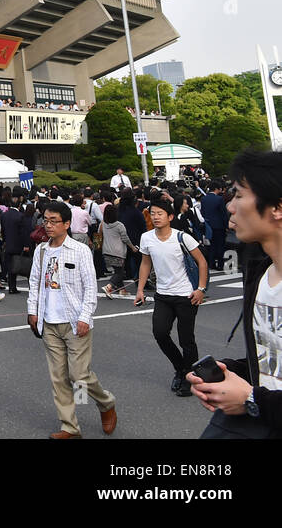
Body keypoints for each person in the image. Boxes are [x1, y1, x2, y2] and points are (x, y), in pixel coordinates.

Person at [189, 149, 282, 437]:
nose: (230, 206)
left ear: (277, 208)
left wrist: (252, 399)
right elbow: (272, 365)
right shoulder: (261, 274)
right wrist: (231, 372)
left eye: (239, 195)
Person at [27, 202, 118, 438]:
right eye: (45, 220)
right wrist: (32, 311)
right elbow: (35, 282)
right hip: (48, 321)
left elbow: (90, 287)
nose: (48, 225)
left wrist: (85, 316)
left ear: (67, 224)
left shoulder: (80, 250)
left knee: (78, 375)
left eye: (53, 221)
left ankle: (106, 402)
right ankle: (69, 426)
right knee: (58, 377)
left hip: (74, 320)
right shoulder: (41, 250)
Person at [135, 198, 208, 397]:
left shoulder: (183, 237)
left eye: (160, 213)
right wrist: (140, 289)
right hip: (163, 295)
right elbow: (145, 264)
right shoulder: (146, 238)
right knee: (160, 333)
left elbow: (201, 262)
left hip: (186, 295)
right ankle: (181, 368)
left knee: (186, 340)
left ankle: (189, 377)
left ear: (170, 217)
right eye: (153, 213)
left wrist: (201, 289)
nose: (156, 217)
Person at [100, 205, 140, 298]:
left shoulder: (103, 224)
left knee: (118, 271)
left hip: (106, 251)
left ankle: (122, 290)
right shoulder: (119, 225)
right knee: (120, 273)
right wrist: (133, 247)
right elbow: (125, 239)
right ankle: (108, 286)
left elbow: (99, 233)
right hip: (118, 252)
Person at [199, 180, 229, 271]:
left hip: (208, 225)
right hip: (219, 225)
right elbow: (223, 214)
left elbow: (203, 212)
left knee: (211, 245)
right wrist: (226, 225)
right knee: (220, 245)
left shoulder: (204, 199)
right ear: (216, 189)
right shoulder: (219, 199)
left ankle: (211, 263)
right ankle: (220, 264)